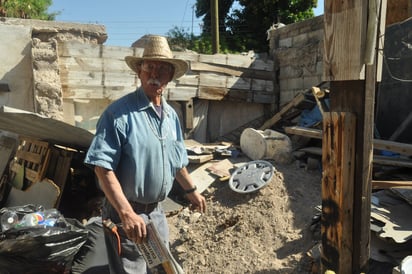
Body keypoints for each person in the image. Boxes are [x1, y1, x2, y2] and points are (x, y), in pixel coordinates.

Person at [84, 35, 206, 274]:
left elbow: (177, 161)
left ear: (170, 76)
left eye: (162, 69)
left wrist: (192, 191)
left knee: (161, 269)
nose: (155, 74)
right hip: (127, 216)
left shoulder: (171, 116)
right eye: (149, 67)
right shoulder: (118, 114)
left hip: (157, 213)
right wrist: (126, 213)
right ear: (139, 71)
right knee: (132, 271)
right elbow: (102, 167)